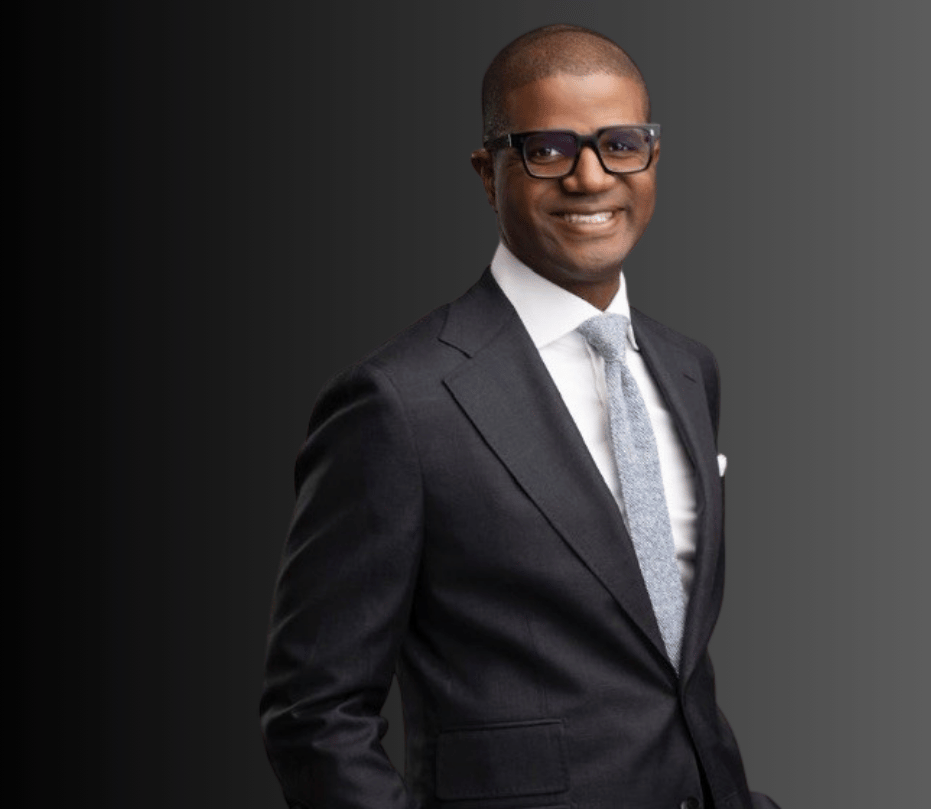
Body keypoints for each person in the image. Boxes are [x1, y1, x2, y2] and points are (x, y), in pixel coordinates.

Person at [261, 24, 781, 809]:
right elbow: (313, 714)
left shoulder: (687, 369)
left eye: (621, 144)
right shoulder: (398, 402)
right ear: (488, 171)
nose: (590, 177)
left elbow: (668, 665)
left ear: (651, 159)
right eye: (548, 149)